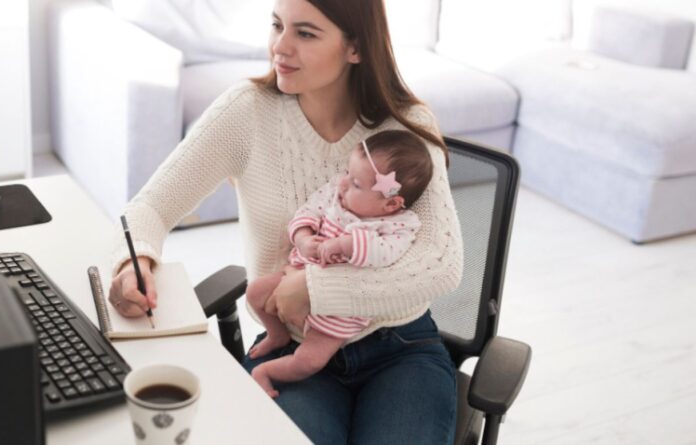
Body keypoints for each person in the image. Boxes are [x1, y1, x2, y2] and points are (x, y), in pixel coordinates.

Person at [109, 0, 463, 443]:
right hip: (292, 344)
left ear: (355, 47)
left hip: (400, 347)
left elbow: (441, 263)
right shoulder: (247, 112)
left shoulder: (406, 127)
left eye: (306, 33)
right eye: (277, 25)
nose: (280, 46)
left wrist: (315, 287)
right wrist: (135, 262)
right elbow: (150, 207)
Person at [246, 130, 432, 398]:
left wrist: (346, 244)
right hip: (296, 275)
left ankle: (266, 372)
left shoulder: (398, 225)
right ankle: (277, 334)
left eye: (356, 183)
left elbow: (387, 254)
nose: (343, 183)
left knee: (309, 361)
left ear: (391, 203)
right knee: (255, 292)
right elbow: (307, 212)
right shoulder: (334, 195)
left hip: (341, 313)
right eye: (347, 172)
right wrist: (303, 239)